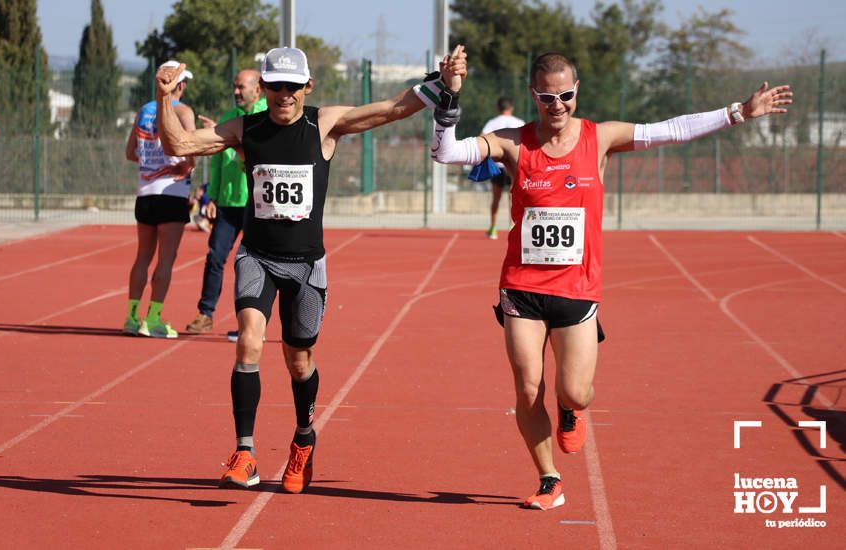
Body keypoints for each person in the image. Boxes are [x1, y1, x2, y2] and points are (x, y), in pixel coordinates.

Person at [431, 51, 792, 510]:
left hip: (577, 291)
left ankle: (570, 409)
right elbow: (445, 152)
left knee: (574, 391)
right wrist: (450, 94)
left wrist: (738, 112)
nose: (557, 104)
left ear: (576, 90)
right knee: (526, 388)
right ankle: (549, 479)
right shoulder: (511, 142)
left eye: (565, 95)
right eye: (547, 97)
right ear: (533, 95)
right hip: (522, 287)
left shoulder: (599, 138)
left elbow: (672, 130)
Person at [154, 45, 467, 493]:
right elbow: (179, 144)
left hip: (305, 266)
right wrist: (165, 98)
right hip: (257, 257)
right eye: (276, 86)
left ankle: (303, 438)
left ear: (307, 87)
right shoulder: (246, 128)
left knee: (299, 362)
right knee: (248, 341)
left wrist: (441, 80)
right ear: (263, 88)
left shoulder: (324, 124)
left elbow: (392, 110)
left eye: (292, 86)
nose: (284, 94)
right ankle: (245, 453)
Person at [186, 69, 268, 335]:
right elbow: (218, 162)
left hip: (257, 204)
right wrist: (213, 196)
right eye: (234, 86)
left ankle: (251, 324)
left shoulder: (268, 117)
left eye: (241, 87)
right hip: (228, 204)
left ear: (257, 89)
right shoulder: (226, 119)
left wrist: (224, 137)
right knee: (215, 258)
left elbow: (255, 152)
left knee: (253, 263)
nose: (235, 92)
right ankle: (205, 313)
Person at [122, 60, 196, 339]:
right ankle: (152, 318)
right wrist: (186, 165)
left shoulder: (144, 111)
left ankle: (130, 317)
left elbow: (131, 152)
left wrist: (152, 160)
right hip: (172, 193)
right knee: (166, 260)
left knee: (142, 257)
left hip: (145, 193)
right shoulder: (184, 111)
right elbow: (191, 149)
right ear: (180, 84)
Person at [479, 97, 523, 240]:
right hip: (514, 166)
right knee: (514, 199)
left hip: (497, 166)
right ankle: (512, 227)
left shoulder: (492, 123)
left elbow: (481, 139)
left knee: (496, 199)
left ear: (498, 109)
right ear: (511, 108)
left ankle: (493, 228)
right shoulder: (519, 123)